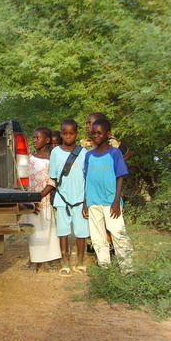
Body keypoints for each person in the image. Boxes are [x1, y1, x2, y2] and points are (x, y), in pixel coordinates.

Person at [83, 118, 133, 273]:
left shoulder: (115, 153)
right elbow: (87, 180)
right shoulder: (89, 156)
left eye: (99, 133)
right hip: (93, 202)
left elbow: (120, 176)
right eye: (93, 133)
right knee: (97, 237)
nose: (95, 136)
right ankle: (105, 267)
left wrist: (116, 201)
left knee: (118, 234)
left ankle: (127, 269)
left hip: (111, 203)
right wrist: (85, 202)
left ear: (108, 134)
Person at [49, 120, 90, 276]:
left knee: (81, 233)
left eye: (71, 133)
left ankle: (80, 262)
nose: (68, 136)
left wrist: (86, 202)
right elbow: (53, 177)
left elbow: (87, 178)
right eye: (65, 133)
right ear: (61, 134)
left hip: (80, 200)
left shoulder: (84, 153)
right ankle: (64, 262)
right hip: (62, 199)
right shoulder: (55, 153)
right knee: (63, 232)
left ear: (76, 134)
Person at [25, 127, 61, 271]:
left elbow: (52, 181)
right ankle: (35, 259)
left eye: (37, 138)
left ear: (47, 140)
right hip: (31, 201)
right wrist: (30, 199)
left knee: (48, 229)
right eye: (33, 138)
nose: (34, 141)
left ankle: (51, 259)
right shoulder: (29, 159)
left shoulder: (52, 160)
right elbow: (24, 181)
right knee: (33, 229)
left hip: (45, 200)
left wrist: (39, 197)